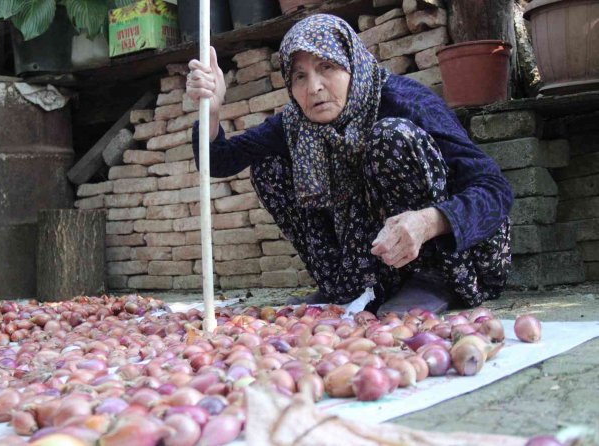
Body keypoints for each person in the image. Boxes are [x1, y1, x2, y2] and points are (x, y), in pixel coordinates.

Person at [186, 14, 513, 316]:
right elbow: (220, 160)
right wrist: (212, 109)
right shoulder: (296, 122)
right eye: (299, 76)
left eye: (327, 66)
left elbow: (495, 189)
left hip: (458, 261)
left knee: (390, 137)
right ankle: (344, 289)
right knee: (267, 163)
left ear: (352, 64)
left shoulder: (404, 100)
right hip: (374, 262)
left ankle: (431, 279)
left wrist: (429, 222)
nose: (313, 87)